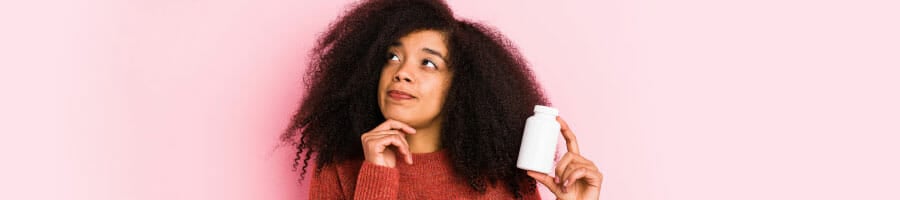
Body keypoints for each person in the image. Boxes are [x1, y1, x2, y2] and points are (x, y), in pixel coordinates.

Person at [282, 0, 602, 199]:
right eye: (392, 57)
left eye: (428, 63)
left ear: (459, 87)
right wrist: (377, 175)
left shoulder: (500, 178)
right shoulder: (338, 170)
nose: (402, 72)